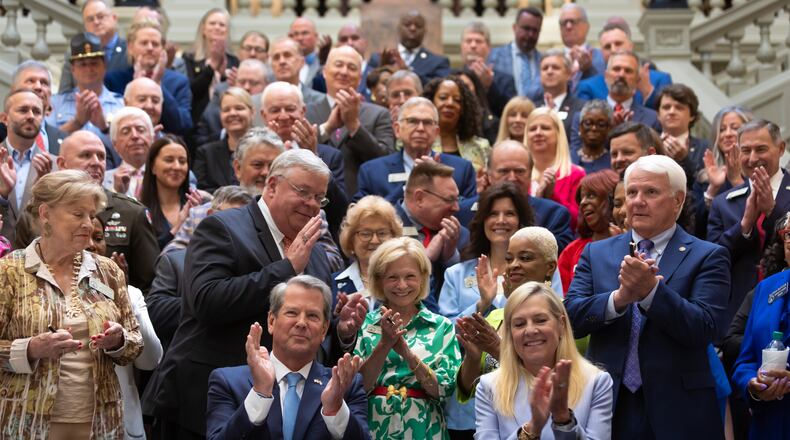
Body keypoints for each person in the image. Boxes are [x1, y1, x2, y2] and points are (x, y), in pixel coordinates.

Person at [147, 149, 350, 439]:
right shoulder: (221, 227)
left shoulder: (314, 255)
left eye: (319, 198)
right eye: (303, 192)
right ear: (271, 186)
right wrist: (286, 268)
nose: (311, 204)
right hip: (203, 403)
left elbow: (311, 333)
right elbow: (206, 302)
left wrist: (342, 329)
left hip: (280, 411)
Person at [564, 155, 731, 439]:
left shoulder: (708, 256)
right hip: (609, 404)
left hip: (679, 411)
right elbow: (570, 319)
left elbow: (704, 328)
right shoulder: (596, 253)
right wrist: (618, 299)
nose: (637, 201)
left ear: (677, 201)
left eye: (651, 192)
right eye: (632, 192)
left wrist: (651, 293)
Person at [0, 170, 143, 438]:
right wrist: (30, 348)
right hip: (26, 422)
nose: (89, 224)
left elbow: (134, 342)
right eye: (78, 215)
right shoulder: (9, 271)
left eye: (91, 215)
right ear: (46, 214)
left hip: (101, 421)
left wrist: (119, 341)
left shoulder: (108, 271)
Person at [206, 276, 370, 440]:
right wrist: (260, 393)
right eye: (292, 312)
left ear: (324, 329)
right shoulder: (228, 382)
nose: (301, 323)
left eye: (312, 315)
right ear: (271, 321)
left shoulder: (346, 386)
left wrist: (335, 410)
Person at [474, 282, 613, 439]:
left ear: (561, 324)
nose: (531, 331)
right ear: (510, 334)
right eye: (519, 324)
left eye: (540, 320)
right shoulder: (489, 386)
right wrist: (533, 427)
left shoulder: (596, 381)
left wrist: (563, 419)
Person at [354, 237, 461, 439]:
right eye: (392, 277)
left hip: (425, 428)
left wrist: (407, 354)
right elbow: (359, 387)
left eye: (410, 276)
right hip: (375, 426)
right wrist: (385, 344)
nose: (402, 285)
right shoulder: (367, 323)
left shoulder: (441, 327)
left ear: (422, 278)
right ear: (379, 281)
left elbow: (443, 390)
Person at [456, 226, 561, 407]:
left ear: (550, 267)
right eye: (509, 259)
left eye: (525, 258)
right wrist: (473, 357)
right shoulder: (495, 317)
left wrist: (498, 348)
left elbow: (552, 379)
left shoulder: (565, 314)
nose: (514, 265)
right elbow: (467, 389)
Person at [87, 215, 163, 440]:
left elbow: (151, 360)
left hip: (120, 425)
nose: (92, 244)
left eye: (98, 237)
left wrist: (123, 296)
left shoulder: (130, 293)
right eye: (85, 235)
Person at [708, 119, 790, 327]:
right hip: (739, 312)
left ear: (781, 149)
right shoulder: (723, 202)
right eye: (746, 150)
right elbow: (714, 260)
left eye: (761, 149)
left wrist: (773, 211)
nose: (753, 158)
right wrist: (744, 224)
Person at [439, 182, 536, 322]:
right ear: (482, 221)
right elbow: (445, 333)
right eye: (493, 214)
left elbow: (554, 317)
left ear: (521, 221)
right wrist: (481, 304)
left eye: (509, 213)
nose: (501, 220)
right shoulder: (455, 275)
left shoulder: (541, 267)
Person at [306, 46, 395, 197]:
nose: (344, 72)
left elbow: (386, 162)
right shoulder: (306, 112)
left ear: (360, 78)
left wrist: (354, 126)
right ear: (324, 71)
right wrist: (327, 129)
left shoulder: (379, 114)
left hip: (362, 202)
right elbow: (298, 156)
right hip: (313, 200)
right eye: (339, 65)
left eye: (351, 67)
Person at [456, 140, 573, 252]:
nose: (512, 178)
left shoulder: (553, 215)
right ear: (489, 175)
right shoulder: (462, 212)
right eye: (504, 171)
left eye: (519, 171)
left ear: (531, 174)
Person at [354, 97, 476, 203]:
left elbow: (468, 213)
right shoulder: (372, 171)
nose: (421, 128)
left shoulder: (462, 169)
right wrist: (408, 186)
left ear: (436, 132)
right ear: (397, 130)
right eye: (412, 121)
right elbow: (364, 215)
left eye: (428, 122)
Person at [731, 225, 790, 439]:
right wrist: (752, 385)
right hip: (768, 424)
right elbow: (745, 361)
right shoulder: (767, 288)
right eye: (789, 234)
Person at [104, 20, 193, 136]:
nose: (150, 48)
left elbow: (184, 125)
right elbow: (110, 122)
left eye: (155, 44)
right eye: (144, 43)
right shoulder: (113, 80)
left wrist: (157, 85)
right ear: (130, 47)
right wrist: (136, 86)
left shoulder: (178, 82)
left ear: (162, 49)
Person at [571, 50, 662, 153]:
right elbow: (576, 157)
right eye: (616, 69)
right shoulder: (582, 117)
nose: (621, 75)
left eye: (628, 71)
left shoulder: (653, 119)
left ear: (637, 79)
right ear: (606, 76)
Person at [48, 32, 125, 152]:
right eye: (83, 64)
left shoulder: (121, 104)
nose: (89, 69)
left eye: (94, 63)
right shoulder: (54, 103)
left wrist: (104, 128)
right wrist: (77, 122)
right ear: (73, 69)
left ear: (104, 65)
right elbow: (47, 144)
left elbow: (127, 152)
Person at [0, 89, 54, 244]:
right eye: (23, 110)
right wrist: (1, 196)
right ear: (4, 118)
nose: (31, 116)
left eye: (37, 112)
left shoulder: (56, 167)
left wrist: (42, 191)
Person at [578, 22, 673, 110]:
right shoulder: (588, 86)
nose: (613, 50)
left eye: (618, 43)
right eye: (607, 47)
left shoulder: (660, 79)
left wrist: (648, 92)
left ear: (631, 46)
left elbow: (668, 119)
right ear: (601, 53)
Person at [333, 195, 403, 310]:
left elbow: (433, 323)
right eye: (365, 234)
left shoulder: (412, 279)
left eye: (382, 233)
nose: (375, 241)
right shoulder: (333, 283)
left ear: (394, 237)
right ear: (350, 239)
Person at [557, 169, 620, 293]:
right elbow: (562, 297)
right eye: (581, 198)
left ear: (612, 199)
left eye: (591, 195)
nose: (583, 203)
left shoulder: (632, 243)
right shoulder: (571, 251)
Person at [524, 107, 586, 232]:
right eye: (532, 129)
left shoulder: (576, 174)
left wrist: (552, 196)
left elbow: (579, 222)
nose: (538, 132)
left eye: (545, 128)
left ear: (558, 133)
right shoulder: (519, 175)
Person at [140, 135, 205, 249]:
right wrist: (179, 226)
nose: (177, 166)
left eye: (182, 161)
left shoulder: (199, 205)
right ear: (152, 167)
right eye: (169, 160)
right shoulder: (139, 211)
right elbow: (150, 256)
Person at [177, 8, 239, 124]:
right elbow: (190, 92)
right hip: (197, 121)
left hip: (226, 121)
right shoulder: (189, 58)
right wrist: (211, 68)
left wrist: (226, 78)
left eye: (222, 24)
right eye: (212, 23)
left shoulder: (234, 61)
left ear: (227, 31)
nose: (217, 27)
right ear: (203, 29)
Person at [423, 76, 491, 172]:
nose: (450, 103)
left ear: (464, 108)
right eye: (443, 98)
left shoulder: (481, 147)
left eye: (457, 100)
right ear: (430, 101)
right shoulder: (418, 143)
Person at [59, 0, 130, 93]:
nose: (96, 22)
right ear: (84, 25)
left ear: (114, 18)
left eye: (100, 17)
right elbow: (64, 93)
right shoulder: (74, 54)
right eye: (90, 19)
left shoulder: (130, 50)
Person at [194, 87, 252, 192]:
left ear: (252, 112)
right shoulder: (205, 153)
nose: (233, 113)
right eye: (226, 110)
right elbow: (201, 190)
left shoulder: (265, 152)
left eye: (239, 108)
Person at [371, 10, 450, 86]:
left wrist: (408, 72)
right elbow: (366, 87)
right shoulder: (377, 58)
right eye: (407, 24)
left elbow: (440, 89)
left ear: (425, 31)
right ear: (398, 28)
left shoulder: (438, 62)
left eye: (418, 25)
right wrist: (381, 69)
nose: (413, 28)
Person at [8, 61, 67, 156]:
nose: (38, 87)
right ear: (14, 90)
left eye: (44, 83)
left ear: (50, 94)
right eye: (30, 81)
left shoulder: (65, 139)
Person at [459, 21, 517, 118]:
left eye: (478, 41)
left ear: (489, 48)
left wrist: (489, 86)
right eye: (468, 41)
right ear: (462, 46)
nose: (473, 45)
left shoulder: (505, 80)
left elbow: (510, 114)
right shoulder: (451, 77)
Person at [656, 84, 709, 187]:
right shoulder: (647, 144)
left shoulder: (705, 148)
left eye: (679, 108)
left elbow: (704, 187)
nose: (671, 112)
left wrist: (685, 160)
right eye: (666, 107)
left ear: (692, 115)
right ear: (658, 114)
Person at [488, 7, 544, 102]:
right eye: (526, 28)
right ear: (514, 27)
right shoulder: (494, 56)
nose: (530, 34)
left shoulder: (544, 62)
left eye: (535, 30)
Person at [103, 106, 155, 199]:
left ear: (152, 138)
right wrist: (115, 192)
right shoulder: (103, 180)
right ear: (115, 144)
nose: (135, 136)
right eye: (126, 132)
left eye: (141, 130)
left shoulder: (166, 175)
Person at [533, 49, 585, 140]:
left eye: (555, 67)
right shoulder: (532, 108)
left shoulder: (582, 108)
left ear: (569, 74)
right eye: (545, 68)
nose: (549, 72)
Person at [269, 37, 327, 106]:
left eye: (287, 55)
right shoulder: (258, 101)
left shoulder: (321, 101)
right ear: (271, 65)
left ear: (302, 62)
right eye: (276, 57)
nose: (282, 61)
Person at [558, 4, 605, 87]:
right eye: (564, 23)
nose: (568, 26)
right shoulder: (551, 59)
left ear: (587, 26)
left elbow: (606, 89)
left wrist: (589, 69)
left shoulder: (602, 56)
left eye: (573, 22)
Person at [572, 100, 613, 173]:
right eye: (588, 123)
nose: (594, 128)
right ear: (580, 127)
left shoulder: (613, 161)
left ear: (609, 128)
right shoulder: (567, 159)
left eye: (601, 124)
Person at [288, 17, 322, 86]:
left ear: (316, 36)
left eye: (305, 33)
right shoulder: (281, 63)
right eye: (296, 34)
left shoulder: (323, 62)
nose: (300, 38)